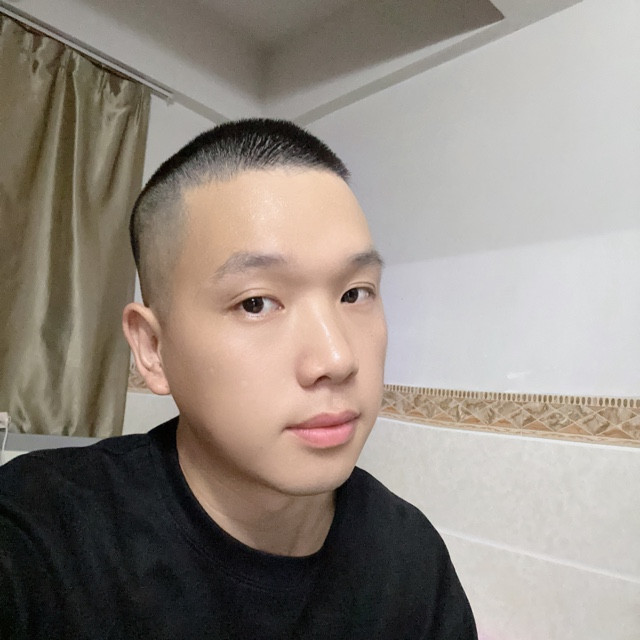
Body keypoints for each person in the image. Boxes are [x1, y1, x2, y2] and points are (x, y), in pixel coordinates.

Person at [0, 119, 477, 639]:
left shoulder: (413, 560)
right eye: (256, 303)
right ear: (152, 349)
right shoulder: (38, 535)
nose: (337, 358)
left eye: (354, 293)